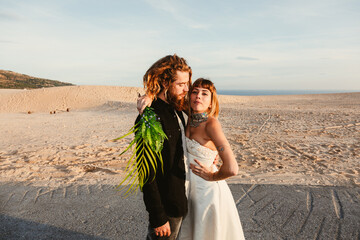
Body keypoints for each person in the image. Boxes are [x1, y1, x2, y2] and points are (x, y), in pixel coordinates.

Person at [178, 78, 245, 240]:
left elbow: (232, 168)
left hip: (207, 192)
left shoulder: (211, 124)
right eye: (195, 92)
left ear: (211, 102)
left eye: (204, 93)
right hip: (188, 190)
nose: (198, 96)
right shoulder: (187, 117)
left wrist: (212, 176)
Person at [136, 54, 192, 240]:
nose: (186, 89)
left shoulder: (177, 108)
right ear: (166, 83)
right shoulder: (150, 117)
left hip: (182, 200)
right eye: (181, 84)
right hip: (167, 208)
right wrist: (157, 217)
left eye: (187, 83)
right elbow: (146, 173)